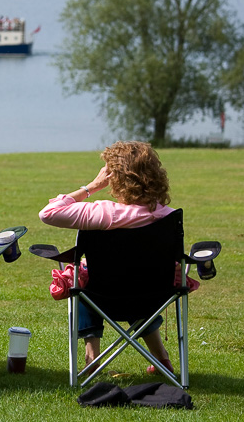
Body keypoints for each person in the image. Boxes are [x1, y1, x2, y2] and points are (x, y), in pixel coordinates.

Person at [38, 140, 176, 376]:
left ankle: (92, 359)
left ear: (116, 178)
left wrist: (91, 186)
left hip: (102, 297)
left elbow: (48, 213)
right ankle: (162, 359)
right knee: (142, 278)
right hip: (154, 298)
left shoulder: (104, 213)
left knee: (82, 281)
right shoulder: (169, 217)